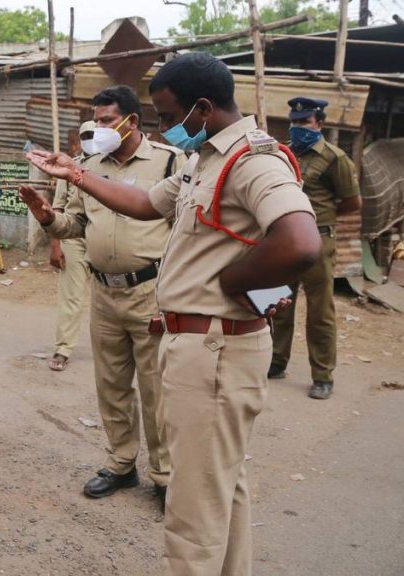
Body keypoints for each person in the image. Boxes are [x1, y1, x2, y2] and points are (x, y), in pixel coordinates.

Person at [19, 53, 321, 575]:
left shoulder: (253, 159)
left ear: (202, 108)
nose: (162, 128)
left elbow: (299, 241)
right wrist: (76, 175)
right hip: (206, 345)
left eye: (166, 116)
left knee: (193, 508)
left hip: (216, 347)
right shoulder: (207, 157)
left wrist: (233, 281)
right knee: (220, 488)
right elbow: (144, 204)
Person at [27, 86, 184, 506]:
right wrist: (49, 219)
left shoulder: (170, 162)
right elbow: (77, 224)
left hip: (151, 292)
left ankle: (165, 475)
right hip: (105, 292)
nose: (99, 128)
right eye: (95, 120)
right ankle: (121, 463)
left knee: (156, 390)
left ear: (132, 121)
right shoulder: (89, 166)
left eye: (106, 119)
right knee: (111, 385)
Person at [268, 97, 362, 400]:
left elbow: (351, 203)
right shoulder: (280, 154)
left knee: (320, 312)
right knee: (278, 303)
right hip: (282, 240)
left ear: (319, 123)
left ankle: (323, 376)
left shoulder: (335, 159)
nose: (298, 128)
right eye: (295, 123)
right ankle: (275, 361)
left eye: (305, 122)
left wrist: (319, 220)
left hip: (318, 240)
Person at [47, 120, 95, 372]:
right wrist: (56, 246)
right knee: (71, 297)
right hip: (74, 239)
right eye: (85, 135)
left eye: (93, 135)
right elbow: (58, 208)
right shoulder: (68, 169)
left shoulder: (110, 168)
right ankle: (63, 348)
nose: (90, 139)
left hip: (105, 239)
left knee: (109, 296)